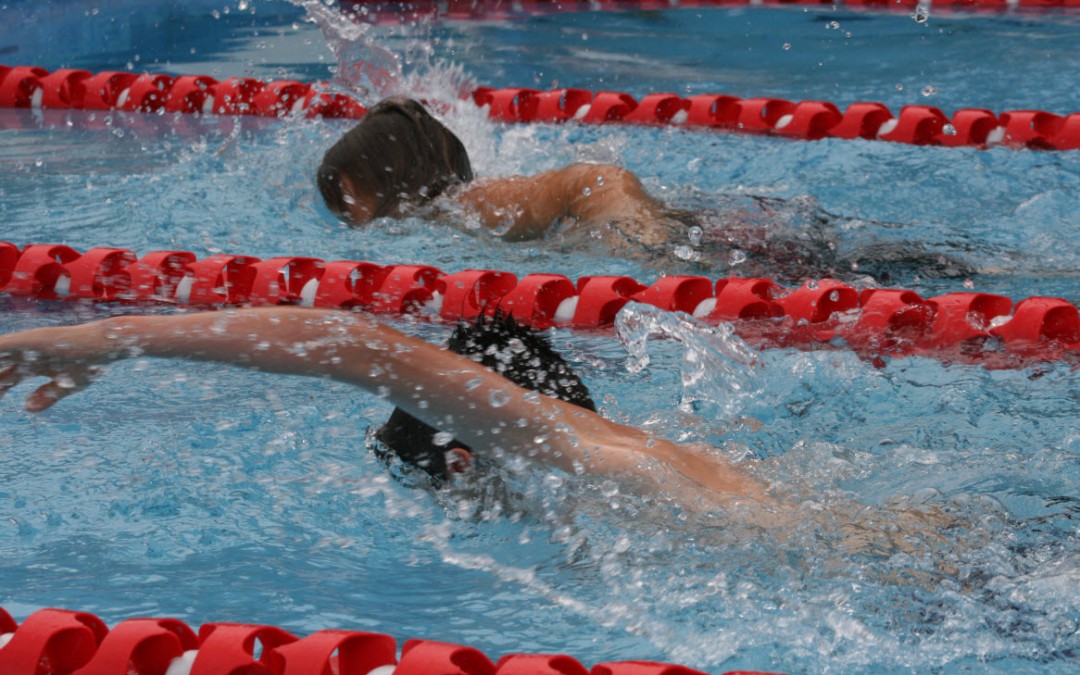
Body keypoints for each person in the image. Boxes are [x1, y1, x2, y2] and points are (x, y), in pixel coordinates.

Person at [0, 307, 773, 511]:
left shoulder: (586, 460)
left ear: (463, 458)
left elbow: (352, 345)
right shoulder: (628, 448)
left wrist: (114, 338)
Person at [316, 97, 976, 283]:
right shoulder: (446, 219)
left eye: (350, 196)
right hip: (701, 228)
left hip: (681, 234)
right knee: (874, 271)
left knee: (864, 274)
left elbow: (592, 178)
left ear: (391, 178)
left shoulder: (468, 205)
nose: (346, 216)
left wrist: (647, 248)